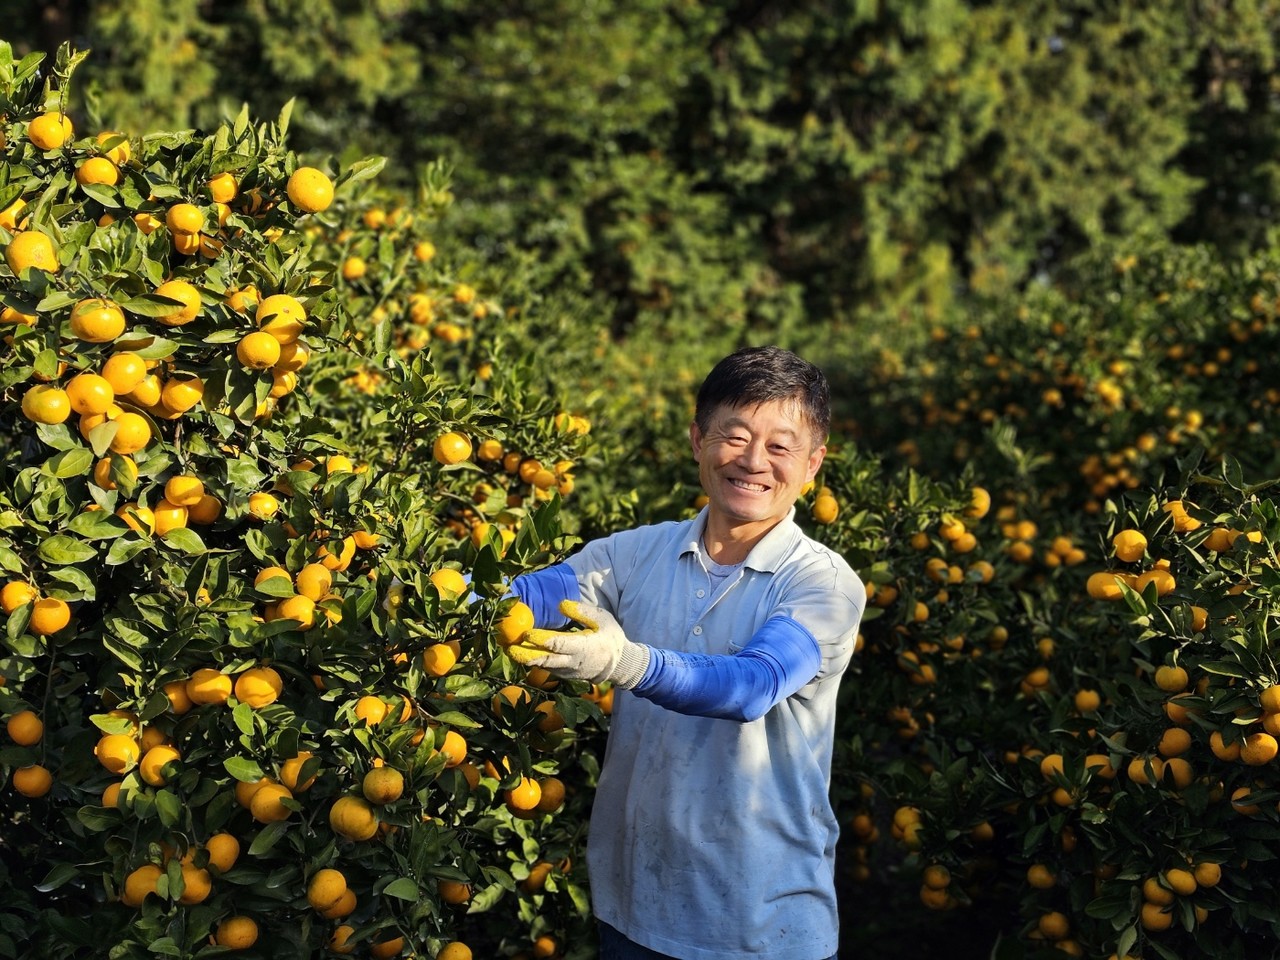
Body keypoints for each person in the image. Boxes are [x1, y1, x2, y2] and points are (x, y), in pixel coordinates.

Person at [507, 345, 864, 960]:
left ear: (813, 465)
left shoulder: (822, 584)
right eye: (734, 435)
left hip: (758, 927)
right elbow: (528, 598)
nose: (753, 461)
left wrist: (626, 664)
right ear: (698, 439)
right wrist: (407, 584)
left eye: (780, 446)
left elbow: (753, 683)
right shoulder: (635, 555)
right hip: (633, 909)